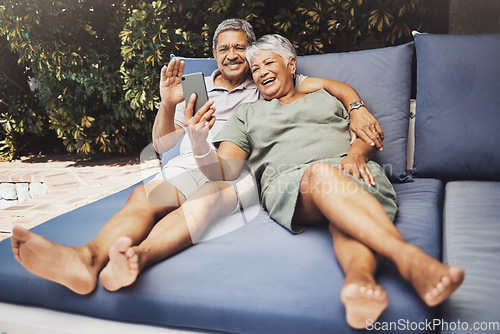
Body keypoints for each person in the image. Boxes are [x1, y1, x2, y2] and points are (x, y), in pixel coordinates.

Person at [10, 20, 385, 296]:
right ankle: (88, 258)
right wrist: (168, 104)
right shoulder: (194, 88)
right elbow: (160, 144)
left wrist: (356, 107)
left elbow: (327, 88)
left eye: (241, 47)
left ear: (253, 52)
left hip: (234, 170)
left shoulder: (266, 79)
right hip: (191, 163)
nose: (233, 54)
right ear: (214, 55)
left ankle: (135, 257)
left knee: (210, 194)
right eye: (224, 48)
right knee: (143, 196)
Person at [186, 34, 465, 329]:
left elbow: (370, 137)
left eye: (269, 63)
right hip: (292, 183)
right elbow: (224, 172)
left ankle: (360, 281)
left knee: (343, 216)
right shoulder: (246, 113)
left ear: (291, 65)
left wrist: (356, 154)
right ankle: (408, 259)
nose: (262, 72)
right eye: (255, 69)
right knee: (321, 175)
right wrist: (200, 145)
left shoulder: (324, 96)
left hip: (354, 171)